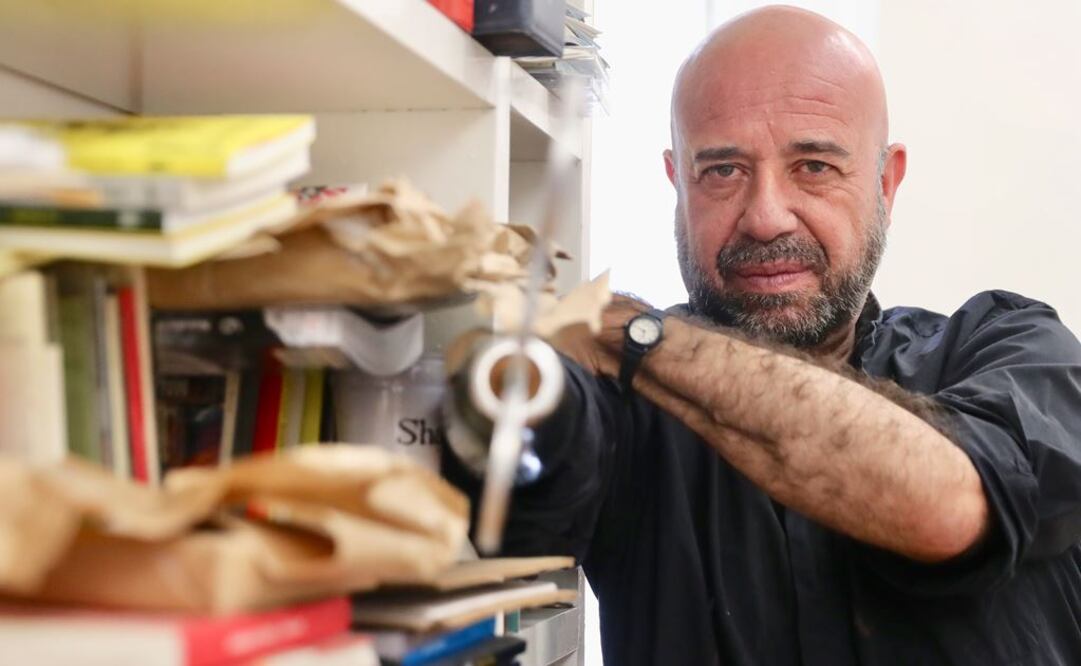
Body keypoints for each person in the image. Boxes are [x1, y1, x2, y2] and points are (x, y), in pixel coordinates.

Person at [444, 6, 1081, 665]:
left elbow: (948, 506)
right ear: (678, 185)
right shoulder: (621, 403)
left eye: (814, 166)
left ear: (885, 184)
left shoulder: (1014, 349)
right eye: (723, 171)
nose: (766, 217)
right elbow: (511, 490)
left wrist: (628, 332)